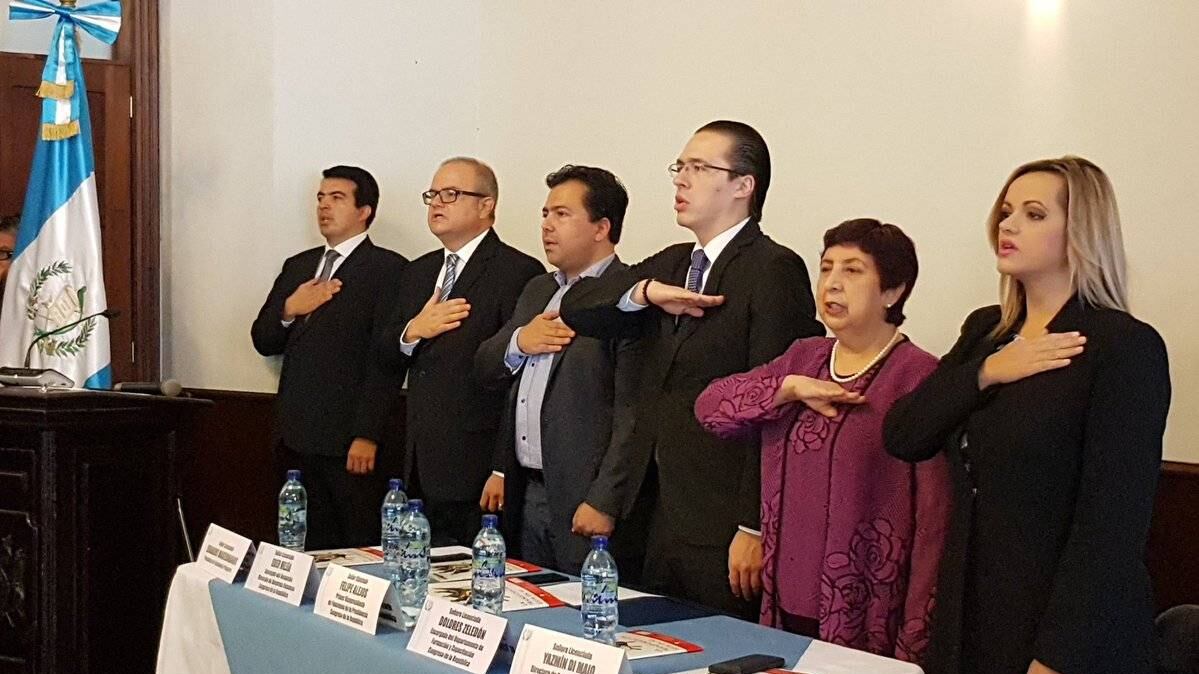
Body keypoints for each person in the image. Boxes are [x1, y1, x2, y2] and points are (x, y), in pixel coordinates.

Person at [884, 156, 1171, 674]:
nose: (1008, 225)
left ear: (1081, 233)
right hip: (971, 614)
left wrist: (1058, 656)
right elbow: (905, 435)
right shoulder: (986, 331)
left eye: (1034, 214)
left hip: (1065, 631)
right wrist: (986, 372)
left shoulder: (1123, 346)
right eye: (1006, 212)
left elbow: (1112, 524)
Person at [560, 121, 824, 616]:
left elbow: (772, 404)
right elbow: (579, 306)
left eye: (699, 168)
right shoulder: (674, 263)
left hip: (719, 519)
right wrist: (644, 293)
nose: (681, 179)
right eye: (680, 167)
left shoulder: (771, 268)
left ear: (743, 186)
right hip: (650, 511)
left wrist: (753, 524)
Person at [694, 219, 950, 663]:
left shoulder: (919, 376)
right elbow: (710, 408)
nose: (832, 283)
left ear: (892, 291)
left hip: (867, 614)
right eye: (826, 268)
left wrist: (914, 643)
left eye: (852, 271)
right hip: (784, 601)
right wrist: (787, 389)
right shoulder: (805, 357)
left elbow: (934, 521)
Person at [474, 164, 645, 574]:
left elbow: (633, 413)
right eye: (545, 214)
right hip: (526, 490)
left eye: (562, 214)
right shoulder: (539, 289)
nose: (547, 225)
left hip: (585, 498)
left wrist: (605, 500)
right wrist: (521, 341)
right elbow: (485, 368)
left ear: (602, 227)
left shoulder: (627, 296)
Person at [378, 157, 543, 546]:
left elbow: (519, 378)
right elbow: (384, 353)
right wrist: (413, 331)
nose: (437, 202)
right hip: (420, 461)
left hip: (478, 466)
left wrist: (502, 467)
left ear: (486, 205)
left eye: (451, 194)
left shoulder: (516, 271)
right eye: (433, 194)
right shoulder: (418, 271)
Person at [251, 165, 407, 549]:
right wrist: (290, 309)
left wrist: (367, 434)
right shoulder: (299, 266)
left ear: (364, 211)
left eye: (337, 198)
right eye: (320, 198)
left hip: (347, 441)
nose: (323, 206)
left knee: (352, 547)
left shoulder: (388, 269)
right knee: (299, 545)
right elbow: (264, 339)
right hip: (293, 438)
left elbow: (386, 360)